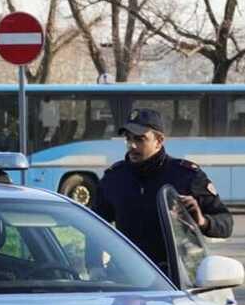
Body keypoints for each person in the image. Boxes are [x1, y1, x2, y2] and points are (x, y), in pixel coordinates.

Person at [92, 108, 233, 271]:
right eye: (128, 139)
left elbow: (226, 223)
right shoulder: (114, 178)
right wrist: (94, 268)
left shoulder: (187, 176)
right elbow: (94, 227)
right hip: (128, 277)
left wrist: (202, 221)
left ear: (159, 140)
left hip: (175, 277)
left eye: (140, 139)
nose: (132, 145)